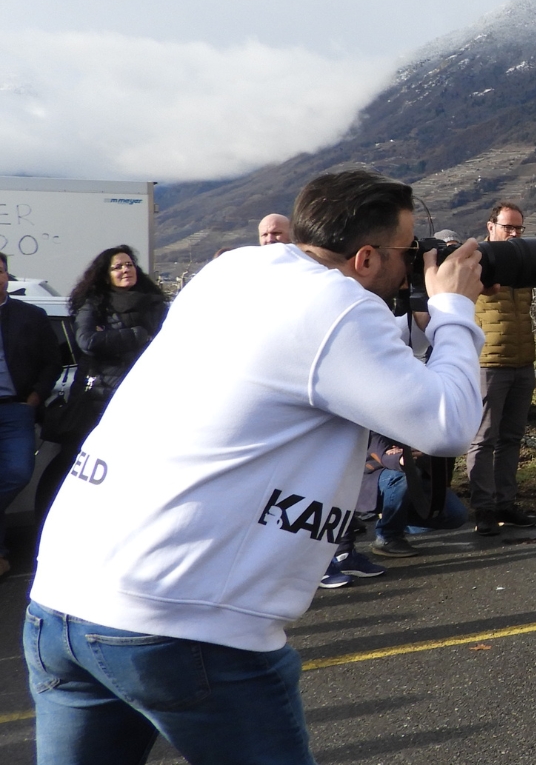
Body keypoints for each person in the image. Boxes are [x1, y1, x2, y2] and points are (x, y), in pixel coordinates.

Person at [28, 169, 485, 762]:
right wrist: (453, 308)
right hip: (181, 622)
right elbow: (446, 425)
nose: (415, 263)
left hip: (64, 594)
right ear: (366, 257)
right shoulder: (337, 306)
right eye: (408, 251)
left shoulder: (232, 270)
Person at [44, 247, 170, 518]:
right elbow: (88, 342)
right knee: (77, 466)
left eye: (129, 264)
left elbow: (168, 344)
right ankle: (56, 520)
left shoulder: (156, 305)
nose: (126, 270)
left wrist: (112, 336)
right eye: (117, 267)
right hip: (96, 400)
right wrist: (138, 335)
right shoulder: (94, 304)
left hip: (144, 398)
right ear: (105, 274)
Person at [469, 202, 536, 535]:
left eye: (518, 229)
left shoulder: (524, 267)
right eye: (507, 227)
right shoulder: (476, 263)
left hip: (522, 362)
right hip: (488, 363)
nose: (513, 233)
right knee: (483, 437)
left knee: (512, 437)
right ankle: (483, 508)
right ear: (491, 227)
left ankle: (505, 504)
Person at [0, 251, 61, 580]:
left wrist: (35, 397)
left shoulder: (31, 316)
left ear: (7, 276)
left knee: (18, 472)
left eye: (0, 271)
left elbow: (53, 361)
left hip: (16, 410)